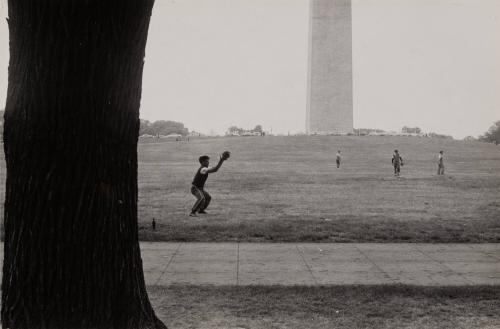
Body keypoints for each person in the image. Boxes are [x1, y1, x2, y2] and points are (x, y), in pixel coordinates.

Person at [189, 152, 229, 217]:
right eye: (206, 161)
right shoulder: (203, 169)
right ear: (202, 162)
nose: (208, 162)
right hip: (195, 188)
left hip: (200, 188)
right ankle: (192, 212)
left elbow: (216, 168)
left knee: (208, 198)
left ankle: (201, 210)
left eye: (208, 161)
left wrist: (221, 160)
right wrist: (221, 160)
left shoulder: (205, 168)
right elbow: (215, 169)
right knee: (201, 198)